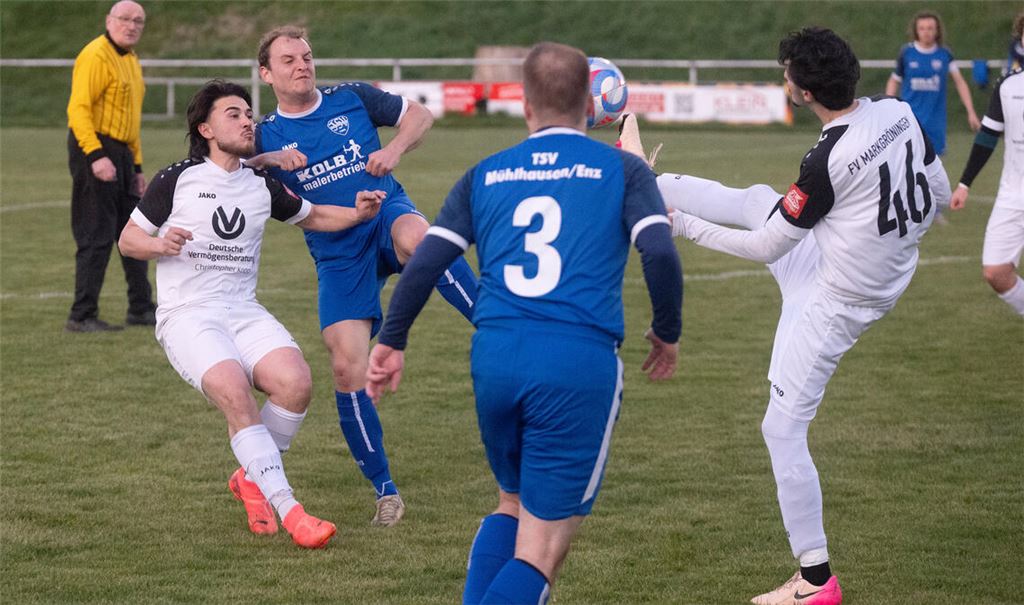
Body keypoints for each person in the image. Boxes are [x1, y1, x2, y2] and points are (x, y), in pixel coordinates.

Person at [629, 27, 950, 605]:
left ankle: (816, 581)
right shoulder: (899, 112)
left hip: (835, 299)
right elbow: (937, 185)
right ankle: (647, 184)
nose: (785, 81)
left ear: (803, 92)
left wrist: (681, 226)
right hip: (859, 270)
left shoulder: (827, 160)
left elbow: (764, 249)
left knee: (781, 428)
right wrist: (899, 243)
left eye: (787, 75)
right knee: (757, 198)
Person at [366, 42, 682, 604]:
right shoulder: (624, 170)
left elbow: (430, 259)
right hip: (574, 361)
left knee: (509, 501)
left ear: (524, 105)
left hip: (497, 358)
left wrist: (392, 339)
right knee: (543, 549)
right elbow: (658, 252)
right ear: (590, 103)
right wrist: (667, 331)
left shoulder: (484, 173)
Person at [118, 80, 386, 548]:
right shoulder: (176, 179)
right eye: (234, 114)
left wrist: (360, 214)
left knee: (296, 383)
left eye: (248, 113)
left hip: (243, 309)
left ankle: (249, 478)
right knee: (234, 390)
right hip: (188, 315)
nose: (247, 121)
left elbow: (315, 215)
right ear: (205, 128)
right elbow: (128, 240)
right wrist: (159, 244)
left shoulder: (262, 184)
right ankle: (291, 510)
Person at [250, 25, 479, 527]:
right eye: (288, 60)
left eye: (307, 56)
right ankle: (386, 491)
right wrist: (268, 159)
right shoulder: (264, 133)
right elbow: (226, 167)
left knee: (421, 241)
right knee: (345, 367)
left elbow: (420, 115)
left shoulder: (350, 97)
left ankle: (496, 323)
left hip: (386, 213)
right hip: (335, 251)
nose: (302, 65)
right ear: (266, 73)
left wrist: (393, 153)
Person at [65, 0, 157, 332]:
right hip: (95, 146)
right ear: (109, 20)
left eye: (138, 21)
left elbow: (130, 122)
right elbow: (78, 110)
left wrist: (136, 166)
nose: (131, 26)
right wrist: (95, 156)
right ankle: (82, 315)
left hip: (121, 152)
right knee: (96, 233)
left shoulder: (131, 60)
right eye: (125, 19)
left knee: (132, 230)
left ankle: (141, 307)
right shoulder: (95, 54)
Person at [949, 38, 1024, 317]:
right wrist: (965, 184)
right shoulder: (1007, 85)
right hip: (1012, 195)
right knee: (995, 272)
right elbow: (987, 137)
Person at [885, 10, 980, 156]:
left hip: (935, 123)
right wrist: (888, 107)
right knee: (909, 162)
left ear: (937, 30)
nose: (926, 32)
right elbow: (894, 80)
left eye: (930, 28)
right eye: (922, 28)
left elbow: (960, 82)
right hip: (909, 120)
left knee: (933, 168)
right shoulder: (907, 53)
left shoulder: (944, 54)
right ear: (916, 31)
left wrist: (971, 111)